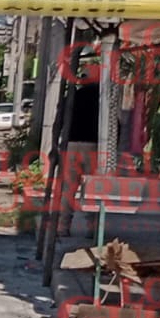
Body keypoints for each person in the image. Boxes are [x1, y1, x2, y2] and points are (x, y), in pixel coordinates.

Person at [55, 59, 103, 237]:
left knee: (68, 188)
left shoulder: (72, 97)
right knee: (94, 188)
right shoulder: (103, 99)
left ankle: (63, 226)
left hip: (71, 146)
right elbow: (116, 125)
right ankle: (93, 228)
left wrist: (57, 144)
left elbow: (59, 120)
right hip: (95, 147)